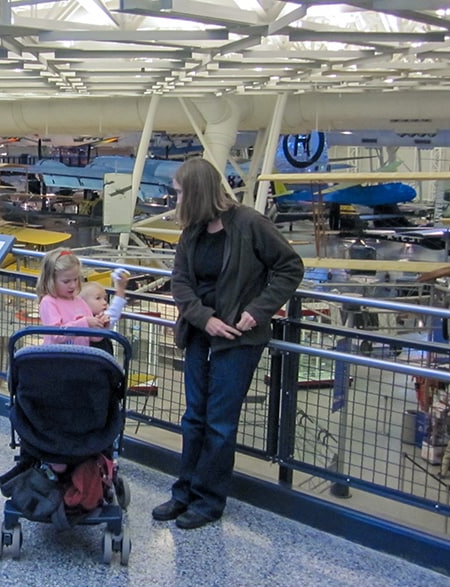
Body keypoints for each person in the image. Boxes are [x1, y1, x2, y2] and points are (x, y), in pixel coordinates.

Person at [152, 157, 304, 529]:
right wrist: (205, 319)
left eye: (180, 192)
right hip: (201, 335)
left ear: (197, 192)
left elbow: (289, 267)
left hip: (238, 341)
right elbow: (181, 283)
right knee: (194, 418)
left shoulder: (251, 224)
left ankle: (208, 501)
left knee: (219, 423)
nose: (176, 199)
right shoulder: (193, 232)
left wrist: (259, 310)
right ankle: (184, 492)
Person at [36, 247, 108, 345]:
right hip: (55, 357)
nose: (73, 285)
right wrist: (85, 323)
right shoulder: (48, 302)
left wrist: (101, 325)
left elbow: (93, 337)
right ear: (51, 280)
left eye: (75, 279)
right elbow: (55, 335)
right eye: (66, 281)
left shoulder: (79, 301)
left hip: (79, 356)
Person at [78, 269, 129, 354]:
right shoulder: (78, 320)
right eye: (98, 298)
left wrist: (120, 288)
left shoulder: (104, 317)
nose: (105, 302)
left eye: (105, 298)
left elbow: (115, 308)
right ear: (83, 302)